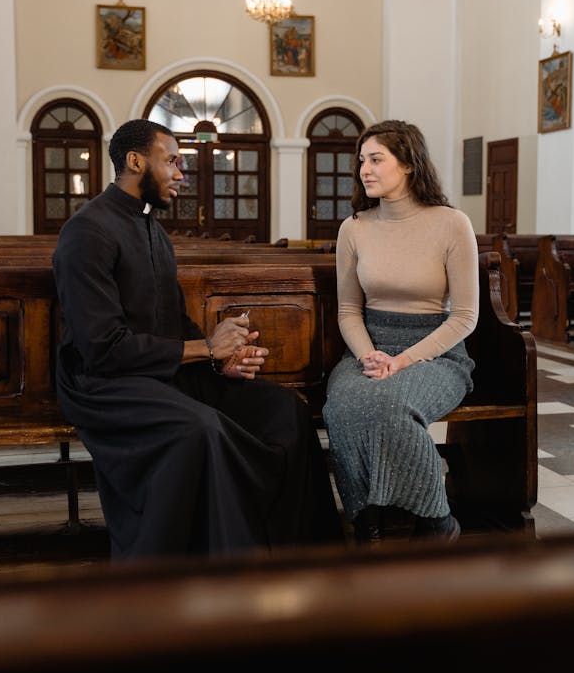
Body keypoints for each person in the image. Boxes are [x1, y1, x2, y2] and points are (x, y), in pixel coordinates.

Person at [52, 118, 342, 560]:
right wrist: (207, 348)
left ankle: (301, 559)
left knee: (286, 412)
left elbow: (172, 321)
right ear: (135, 161)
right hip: (104, 383)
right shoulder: (87, 233)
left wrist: (220, 359)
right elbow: (101, 347)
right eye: (171, 161)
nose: (182, 174)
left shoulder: (153, 230)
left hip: (160, 369)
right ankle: (225, 570)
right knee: (201, 429)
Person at [322, 119, 478, 544]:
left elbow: (465, 316)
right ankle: (366, 520)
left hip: (437, 354)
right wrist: (370, 355)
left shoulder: (451, 224)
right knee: (342, 405)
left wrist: (404, 360)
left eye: (376, 159)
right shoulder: (354, 228)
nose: (364, 170)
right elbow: (349, 310)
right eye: (361, 161)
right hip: (368, 349)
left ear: (408, 163)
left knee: (390, 406)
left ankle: (438, 521)